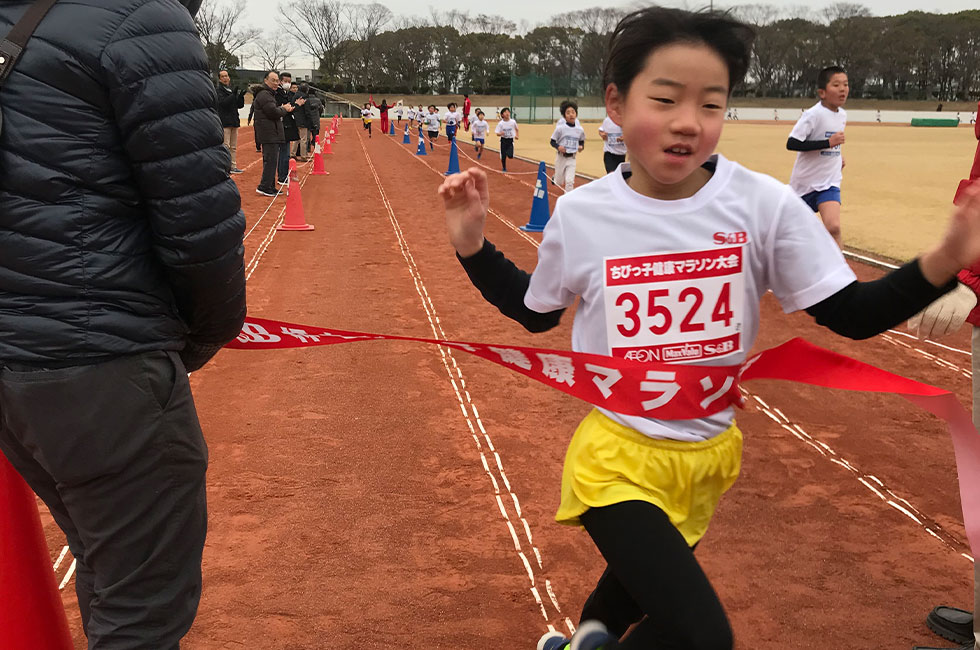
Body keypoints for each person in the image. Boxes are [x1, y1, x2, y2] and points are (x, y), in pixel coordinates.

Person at [438, 7, 980, 649]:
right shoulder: (583, 213)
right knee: (701, 637)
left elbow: (853, 316)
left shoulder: (764, 205)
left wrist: (946, 259)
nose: (689, 121)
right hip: (617, 455)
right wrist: (473, 246)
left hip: (708, 456)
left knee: (628, 597)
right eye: (665, 99)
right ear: (616, 104)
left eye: (711, 104)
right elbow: (536, 311)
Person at [0, 0, 247, 647]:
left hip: (17, 363)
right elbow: (201, 223)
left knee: (106, 561)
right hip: (100, 364)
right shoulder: (139, 17)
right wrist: (202, 336)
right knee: (143, 605)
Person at [786, 65, 849, 247]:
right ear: (822, 92)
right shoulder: (812, 115)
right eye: (836, 85)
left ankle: (839, 266)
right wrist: (828, 144)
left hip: (829, 182)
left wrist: (836, 158)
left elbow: (832, 144)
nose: (843, 89)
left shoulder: (842, 115)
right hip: (804, 184)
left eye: (845, 84)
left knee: (834, 227)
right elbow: (792, 143)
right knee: (792, 234)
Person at [254, 70, 297, 196]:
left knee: (272, 160)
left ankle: (270, 186)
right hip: (268, 133)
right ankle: (265, 186)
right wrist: (284, 109)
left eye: (277, 80)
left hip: (271, 132)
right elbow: (273, 112)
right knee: (270, 161)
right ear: (265, 81)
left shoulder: (268, 94)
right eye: (273, 80)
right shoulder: (264, 95)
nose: (276, 83)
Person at [550, 100, 586, 193]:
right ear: (564, 116)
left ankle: (568, 199)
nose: (571, 115)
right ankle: (555, 177)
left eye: (573, 112)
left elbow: (581, 140)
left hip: (572, 158)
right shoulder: (560, 128)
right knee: (559, 182)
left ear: (576, 114)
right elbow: (552, 141)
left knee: (570, 182)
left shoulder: (580, 129)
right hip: (561, 157)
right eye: (568, 113)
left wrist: (581, 146)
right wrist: (558, 147)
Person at [276, 72, 304, 182]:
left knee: (285, 152)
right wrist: (295, 105)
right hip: (282, 125)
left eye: (289, 81)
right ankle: (282, 177)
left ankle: (283, 175)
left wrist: (295, 105)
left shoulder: (286, 93)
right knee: (284, 153)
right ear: (280, 81)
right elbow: (285, 109)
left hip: (287, 125)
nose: (287, 83)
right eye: (285, 81)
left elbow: (289, 108)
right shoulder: (278, 94)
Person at [216, 69, 245, 174]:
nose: (225, 78)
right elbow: (223, 104)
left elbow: (239, 105)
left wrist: (241, 97)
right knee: (226, 146)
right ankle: (225, 167)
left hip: (234, 121)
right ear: (219, 79)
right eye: (223, 76)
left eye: (226, 76)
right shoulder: (218, 91)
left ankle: (233, 166)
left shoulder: (230, 90)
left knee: (233, 147)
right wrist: (233, 95)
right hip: (225, 122)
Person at [291, 82, 310, 162]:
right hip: (303, 120)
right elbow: (307, 111)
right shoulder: (305, 97)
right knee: (303, 139)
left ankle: (293, 153)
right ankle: (303, 156)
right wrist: (309, 120)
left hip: (295, 119)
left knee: (297, 138)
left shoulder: (295, 96)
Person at [494, 106, 518, 172]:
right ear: (502, 115)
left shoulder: (513, 122)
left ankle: (507, 153)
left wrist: (517, 135)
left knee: (510, 156)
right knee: (503, 156)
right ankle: (504, 167)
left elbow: (517, 129)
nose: (507, 113)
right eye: (505, 112)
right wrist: (500, 133)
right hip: (503, 140)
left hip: (510, 140)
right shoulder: (500, 123)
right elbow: (497, 133)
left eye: (508, 112)